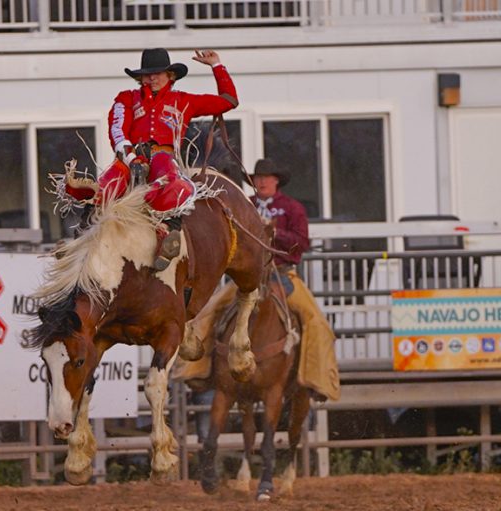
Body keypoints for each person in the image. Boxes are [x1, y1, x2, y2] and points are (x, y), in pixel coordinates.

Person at [65, 48, 239, 270]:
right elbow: (117, 130)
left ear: (170, 75)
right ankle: (81, 237)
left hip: (163, 157)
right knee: (107, 184)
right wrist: (130, 158)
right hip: (130, 158)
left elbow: (229, 100)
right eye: (147, 74)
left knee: (168, 178)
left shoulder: (185, 101)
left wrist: (217, 66)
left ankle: (170, 234)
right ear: (140, 77)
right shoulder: (126, 98)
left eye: (158, 73)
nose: (152, 78)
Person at [250, 158, 340, 402]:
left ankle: (318, 380)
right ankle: (197, 373)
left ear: (276, 180)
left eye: (266, 177)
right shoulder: (245, 205)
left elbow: (303, 243)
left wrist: (275, 233)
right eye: (257, 178)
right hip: (250, 278)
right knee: (210, 312)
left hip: (284, 274)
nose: (261, 181)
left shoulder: (291, 208)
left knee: (316, 321)